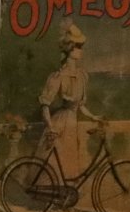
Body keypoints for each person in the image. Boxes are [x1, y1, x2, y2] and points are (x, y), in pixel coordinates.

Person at [39, 23, 102, 180]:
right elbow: (45, 104)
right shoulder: (59, 76)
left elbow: (80, 105)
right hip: (61, 123)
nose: (81, 51)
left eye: (81, 47)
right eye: (78, 47)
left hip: (72, 123)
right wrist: (50, 127)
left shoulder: (81, 75)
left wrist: (93, 117)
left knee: (69, 161)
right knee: (56, 162)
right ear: (70, 49)